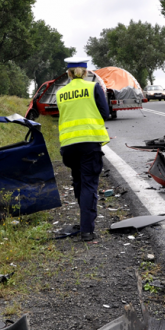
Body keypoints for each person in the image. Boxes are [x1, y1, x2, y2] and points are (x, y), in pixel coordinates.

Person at [56, 57, 111, 242]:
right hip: (89, 144)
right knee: (88, 185)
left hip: (69, 146)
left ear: (68, 73)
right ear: (85, 72)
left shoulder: (60, 93)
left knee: (79, 183)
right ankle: (87, 230)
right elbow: (105, 113)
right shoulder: (93, 87)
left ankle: (84, 220)